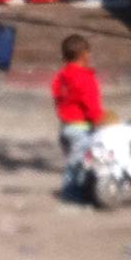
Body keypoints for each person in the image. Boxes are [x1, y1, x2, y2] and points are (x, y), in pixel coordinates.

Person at [51, 34, 105, 200]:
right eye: (89, 52)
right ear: (84, 54)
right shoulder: (85, 78)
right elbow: (91, 104)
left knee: (76, 161)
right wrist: (100, 120)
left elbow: (57, 97)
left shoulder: (62, 77)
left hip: (65, 128)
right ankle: (71, 194)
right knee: (78, 164)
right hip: (81, 129)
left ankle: (83, 191)